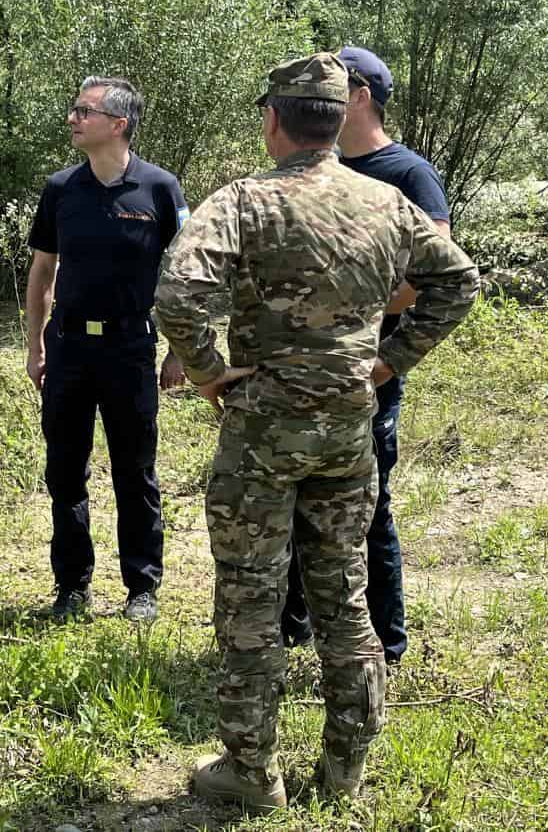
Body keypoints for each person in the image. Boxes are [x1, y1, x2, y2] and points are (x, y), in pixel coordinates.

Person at [155, 52, 478, 812]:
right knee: (344, 597)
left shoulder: (245, 201)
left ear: (274, 120)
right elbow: (458, 281)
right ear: (336, 120)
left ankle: (251, 772)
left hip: (262, 435)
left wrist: (208, 374)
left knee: (250, 601)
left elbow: (179, 292)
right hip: (346, 433)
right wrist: (385, 363)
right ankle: (343, 773)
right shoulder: (385, 201)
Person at [281, 45, 454, 661]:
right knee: (291, 497)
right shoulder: (309, 166)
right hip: (300, 368)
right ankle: (291, 628)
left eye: (336, 82)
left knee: (367, 508)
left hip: (366, 368)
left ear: (359, 96)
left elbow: (434, 275)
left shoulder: (407, 173)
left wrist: (357, 321)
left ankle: (386, 642)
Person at [26, 76, 189, 623]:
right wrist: (35, 344)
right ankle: (72, 586)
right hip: (69, 347)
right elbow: (42, 272)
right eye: (74, 109)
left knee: (133, 470)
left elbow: (186, 272)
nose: (72, 118)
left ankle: (142, 587)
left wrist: (179, 350)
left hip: (130, 346)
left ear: (119, 125)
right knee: (65, 470)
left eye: (84, 111)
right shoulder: (61, 188)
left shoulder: (160, 188)